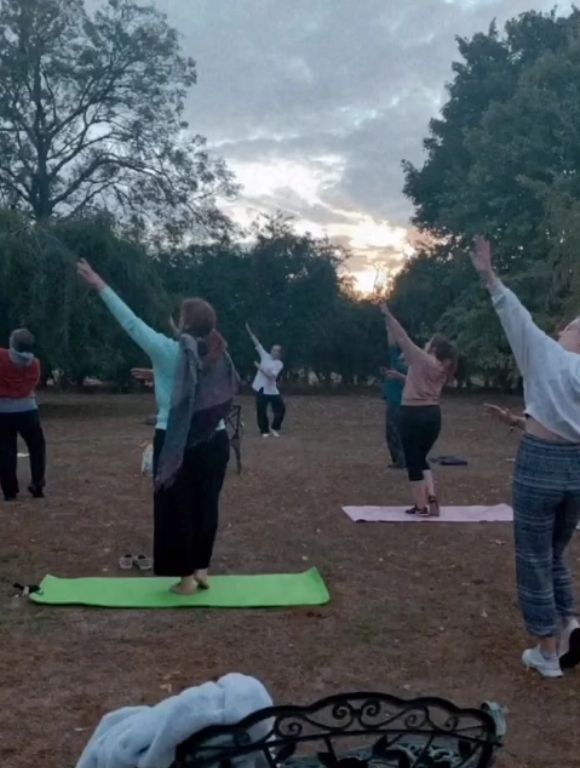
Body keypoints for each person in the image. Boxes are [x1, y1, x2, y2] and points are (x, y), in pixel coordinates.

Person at [77, 259, 239, 596]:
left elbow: (131, 323)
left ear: (186, 323)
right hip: (216, 439)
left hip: (176, 442)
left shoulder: (169, 351)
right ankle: (202, 568)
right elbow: (201, 388)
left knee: (176, 508)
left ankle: (185, 580)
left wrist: (99, 285)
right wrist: (158, 377)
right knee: (206, 504)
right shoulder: (220, 352)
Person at [471, 235, 580, 678]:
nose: (561, 329)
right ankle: (572, 623)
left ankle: (547, 652)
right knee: (555, 552)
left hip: (540, 464)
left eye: (569, 326)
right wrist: (518, 420)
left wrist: (487, 273)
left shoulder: (547, 353)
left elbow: (511, 311)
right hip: (577, 468)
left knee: (534, 556)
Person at [380, 303, 457, 517]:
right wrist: (401, 377)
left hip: (412, 415)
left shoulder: (422, 359)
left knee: (413, 460)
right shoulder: (442, 367)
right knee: (421, 457)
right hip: (433, 416)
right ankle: (431, 497)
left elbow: (402, 338)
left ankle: (420, 505)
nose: (425, 343)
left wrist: (388, 315)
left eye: (428, 342)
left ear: (433, 348)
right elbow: (420, 383)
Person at [0, 329, 46, 501]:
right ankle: (37, 485)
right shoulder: (35, 363)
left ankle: (9, 491)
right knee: (37, 448)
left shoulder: (1, 357)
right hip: (28, 409)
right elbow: (33, 383)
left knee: (6, 450)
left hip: (3, 410)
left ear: (13, 343)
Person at [246, 323, 285, 437]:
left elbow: (272, 376)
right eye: (272, 349)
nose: (273, 351)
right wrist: (250, 332)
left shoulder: (279, 363)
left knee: (281, 409)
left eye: (276, 350)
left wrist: (259, 367)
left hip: (272, 390)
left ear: (279, 353)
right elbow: (257, 343)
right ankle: (264, 430)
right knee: (261, 410)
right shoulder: (265, 356)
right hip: (261, 389)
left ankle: (274, 427)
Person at [381, 343, 407, 469]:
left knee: (398, 433)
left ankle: (403, 460)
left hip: (401, 403)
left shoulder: (408, 366)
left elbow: (413, 382)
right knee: (391, 433)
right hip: (392, 402)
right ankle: (398, 460)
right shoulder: (397, 363)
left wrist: (398, 376)